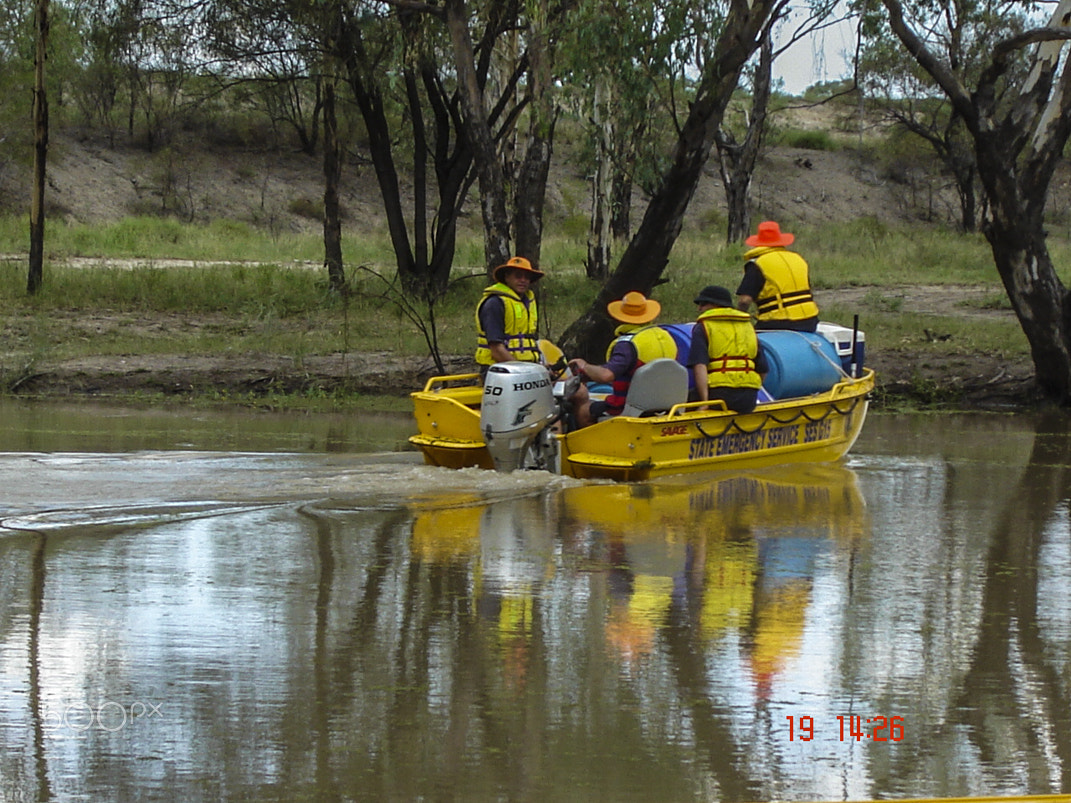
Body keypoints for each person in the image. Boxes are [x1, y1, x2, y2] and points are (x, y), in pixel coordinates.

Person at [567, 291, 679, 427]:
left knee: (584, 407)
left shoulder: (627, 344)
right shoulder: (666, 337)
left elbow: (606, 375)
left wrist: (584, 365)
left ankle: (588, 445)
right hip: (665, 405)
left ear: (621, 317)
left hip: (628, 408)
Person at [688, 285, 768, 414]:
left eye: (702, 304)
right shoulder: (748, 326)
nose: (699, 308)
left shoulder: (703, 326)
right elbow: (763, 369)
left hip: (719, 394)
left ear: (714, 304)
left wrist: (705, 402)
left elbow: (700, 366)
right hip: (748, 398)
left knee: (685, 399)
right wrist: (751, 389)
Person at [736, 220, 819, 332]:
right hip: (810, 320)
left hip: (777, 323)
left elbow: (744, 301)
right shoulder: (798, 259)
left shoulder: (757, 264)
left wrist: (737, 321)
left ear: (758, 243)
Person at [475, 256, 545, 370]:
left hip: (525, 368)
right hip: (498, 371)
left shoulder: (527, 302)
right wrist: (523, 371)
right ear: (507, 277)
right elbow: (497, 350)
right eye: (518, 276)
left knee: (571, 385)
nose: (523, 280)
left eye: (527, 277)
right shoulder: (495, 303)